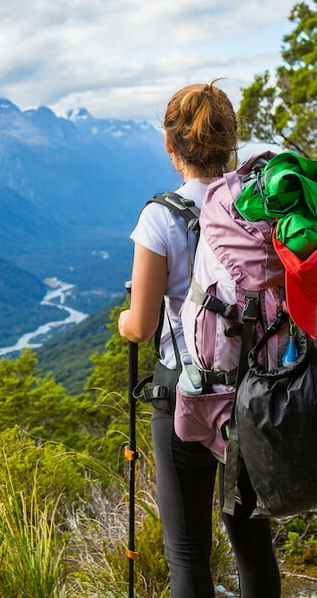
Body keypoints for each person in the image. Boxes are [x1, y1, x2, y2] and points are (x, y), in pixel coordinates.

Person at [117, 82, 281, 598]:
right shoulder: (256, 205)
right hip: (255, 392)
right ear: (232, 142)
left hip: (184, 394)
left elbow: (141, 327)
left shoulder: (159, 218)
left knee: (187, 552)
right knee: (252, 538)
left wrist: (124, 319)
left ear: (171, 147)